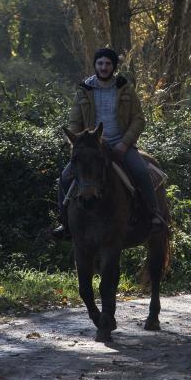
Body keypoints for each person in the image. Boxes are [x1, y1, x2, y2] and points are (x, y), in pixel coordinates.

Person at [53, 47, 164, 238]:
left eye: (108, 64)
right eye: (100, 63)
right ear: (95, 65)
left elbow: (139, 119)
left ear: (113, 67)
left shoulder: (125, 88)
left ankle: (153, 215)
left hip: (121, 144)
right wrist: (77, 143)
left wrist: (125, 143)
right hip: (92, 147)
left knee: (141, 172)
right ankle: (64, 222)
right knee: (64, 177)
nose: (104, 67)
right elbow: (74, 121)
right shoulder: (84, 89)